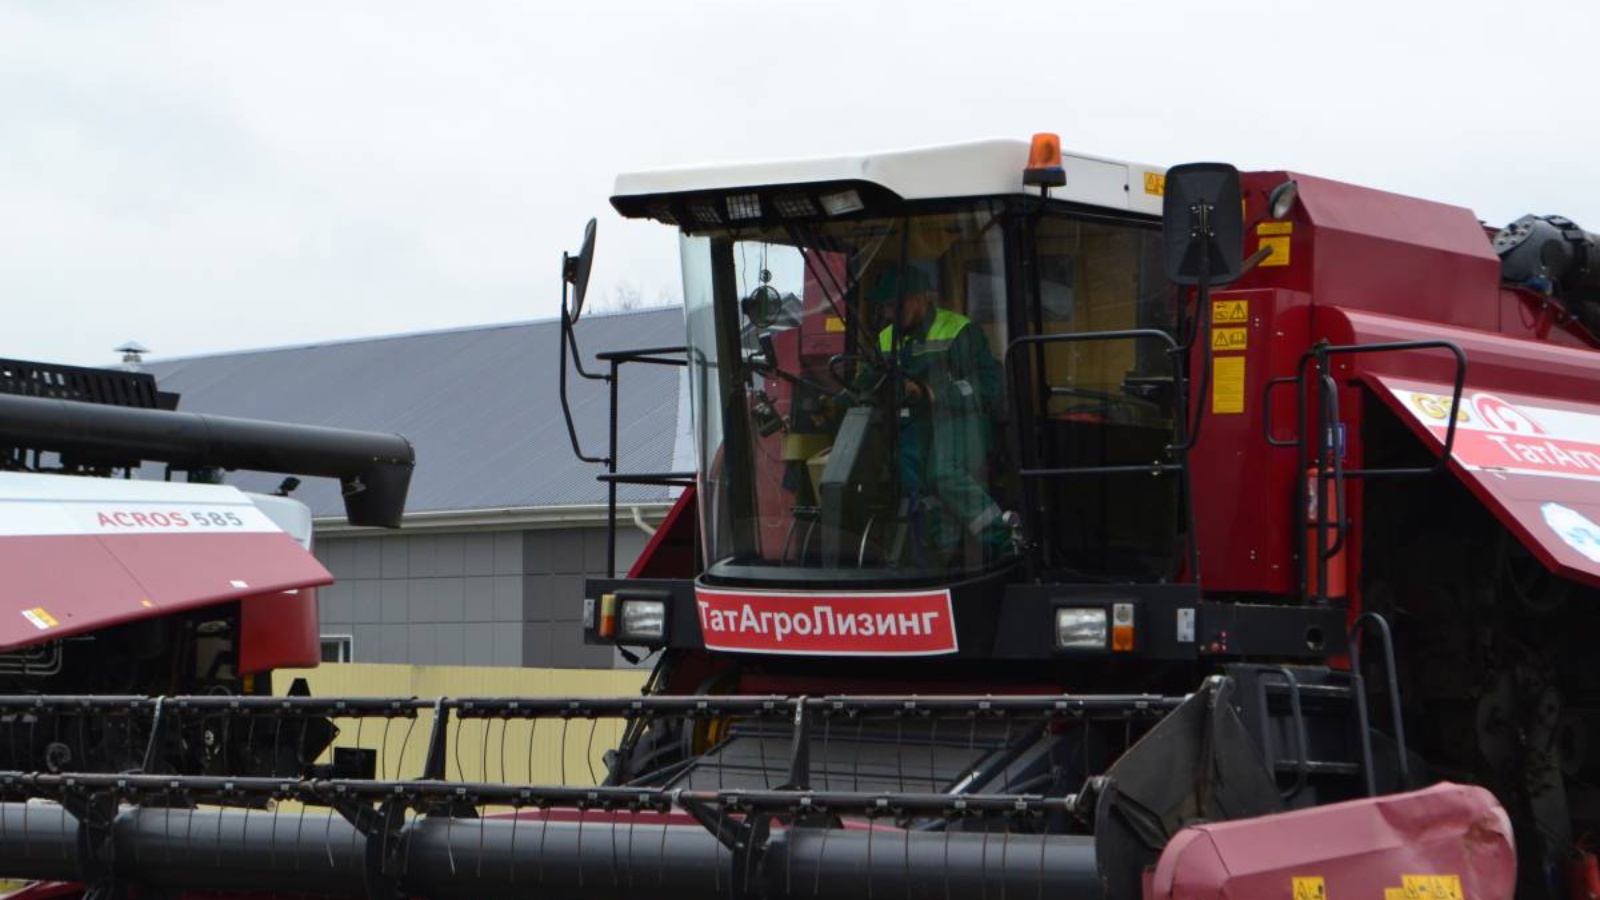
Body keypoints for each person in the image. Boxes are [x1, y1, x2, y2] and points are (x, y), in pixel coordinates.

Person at [860, 266, 1012, 560]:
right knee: (908, 478)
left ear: (918, 300)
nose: (888, 314)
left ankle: (1005, 540)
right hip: (915, 426)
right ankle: (942, 556)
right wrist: (835, 401)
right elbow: (867, 382)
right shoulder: (886, 338)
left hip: (961, 420)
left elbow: (990, 387)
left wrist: (934, 393)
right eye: (884, 307)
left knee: (943, 473)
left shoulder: (960, 331)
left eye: (894, 305)